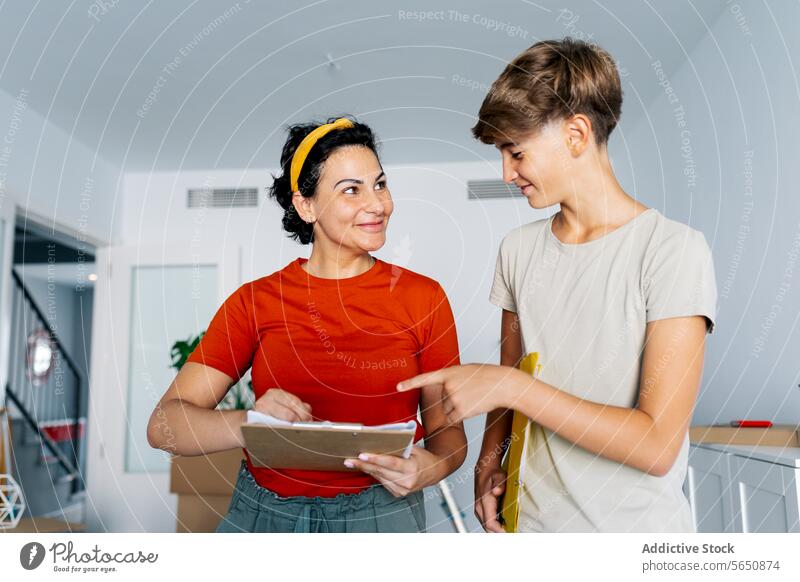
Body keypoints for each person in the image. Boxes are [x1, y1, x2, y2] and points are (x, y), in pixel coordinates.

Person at [398, 38, 717, 533]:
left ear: (575, 134)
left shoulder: (672, 251)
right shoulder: (518, 251)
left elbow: (655, 445)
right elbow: (512, 373)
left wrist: (513, 387)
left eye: (516, 151)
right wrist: (488, 462)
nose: (506, 173)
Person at [147, 117, 467, 533]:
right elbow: (164, 427)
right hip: (265, 516)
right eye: (351, 189)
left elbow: (449, 435)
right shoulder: (255, 302)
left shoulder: (424, 298)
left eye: (380, 184)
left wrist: (429, 467)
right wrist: (251, 424)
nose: (378, 204)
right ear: (306, 206)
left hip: (381, 516)